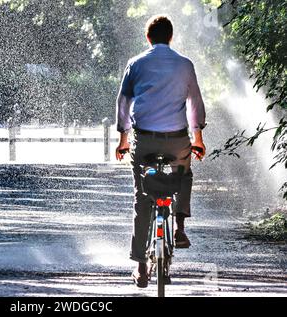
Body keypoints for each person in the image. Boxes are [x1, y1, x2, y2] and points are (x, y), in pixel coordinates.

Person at [115, 15, 206, 288]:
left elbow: (123, 103)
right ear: (171, 37)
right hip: (177, 141)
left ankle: (141, 268)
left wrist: (123, 139)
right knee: (184, 173)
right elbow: (195, 105)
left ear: (148, 38)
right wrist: (197, 138)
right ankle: (179, 226)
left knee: (142, 199)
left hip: (144, 141)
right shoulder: (185, 64)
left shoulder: (136, 63)